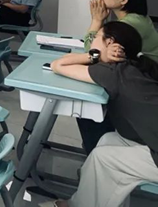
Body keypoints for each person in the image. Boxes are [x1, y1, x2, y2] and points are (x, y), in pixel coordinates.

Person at [45, 22, 158, 207]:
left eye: (96, 37)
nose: (92, 42)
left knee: (103, 158)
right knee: (108, 140)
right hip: (151, 141)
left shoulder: (114, 72)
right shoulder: (135, 68)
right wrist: (101, 55)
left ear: (110, 42)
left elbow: (58, 65)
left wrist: (95, 56)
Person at [77, 0, 158, 153]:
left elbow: (93, 52)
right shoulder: (134, 19)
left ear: (123, 0)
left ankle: (96, 151)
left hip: (144, 82)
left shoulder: (131, 23)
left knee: (87, 104)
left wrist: (96, 21)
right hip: (139, 77)